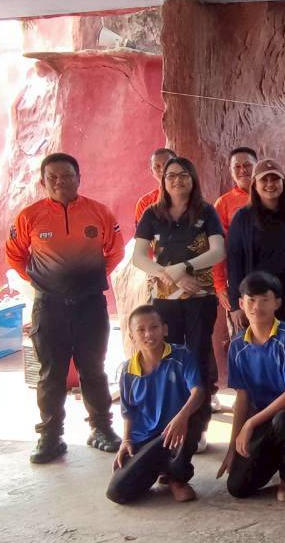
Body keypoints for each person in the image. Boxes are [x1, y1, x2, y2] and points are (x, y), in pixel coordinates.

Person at [6, 152, 125, 464]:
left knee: (93, 368)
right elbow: (14, 255)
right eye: (53, 177)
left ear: (79, 178)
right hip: (49, 307)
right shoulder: (30, 216)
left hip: (90, 305)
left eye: (67, 176)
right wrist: (43, 281)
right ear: (43, 182)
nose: (60, 182)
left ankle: (101, 429)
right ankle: (50, 436)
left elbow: (115, 251)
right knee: (51, 372)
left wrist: (86, 278)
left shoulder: (99, 213)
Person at [129, 156, 226, 453]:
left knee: (197, 359)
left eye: (183, 174)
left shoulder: (206, 211)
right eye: (171, 175)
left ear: (192, 179)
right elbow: (139, 257)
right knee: (167, 361)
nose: (177, 180)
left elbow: (218, 251)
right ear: (163, 181)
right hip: (164, 301)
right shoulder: (152, 213)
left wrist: (184, 268)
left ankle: (197, 427)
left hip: (200, 298)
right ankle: (166, 424)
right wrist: (170, 275)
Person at [217, 272, 285, 502]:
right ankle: (277, 453)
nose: (257, 307)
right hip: (264, 417)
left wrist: (250, 423)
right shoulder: (237, 346)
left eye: (264, 300)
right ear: (241, 303)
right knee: (238, 487)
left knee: (284, 420)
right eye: (251, 300)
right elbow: (242, 397)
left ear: (277, 303)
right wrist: (233, 446)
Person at [107, 305, 205, 504]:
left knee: (194, 418)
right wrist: (126, 441)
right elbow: (128, 411)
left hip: (175, 431)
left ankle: (177, 479)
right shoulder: (128, 370)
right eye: (141, 329)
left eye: (154, 327)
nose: (148, 334)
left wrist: (182, 416)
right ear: (131, 335)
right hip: (144, 439)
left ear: (165, 329)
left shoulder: (181, 356)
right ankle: (162, 469)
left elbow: (198, 391)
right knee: (117, 492)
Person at [227, 159, 285, 334]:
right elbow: (234, 262)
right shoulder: (242, 218)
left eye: (275, 179)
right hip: (257, 301)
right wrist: (236, 304)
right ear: (255, 185)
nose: (270, 184)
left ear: (283, 182)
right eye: (264, 180)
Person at [210, 146, 259, 398]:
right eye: (237, 166)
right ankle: (247, 400)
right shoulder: (224, 204)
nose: (243, 170)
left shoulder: (270, 194)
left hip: (272, 289)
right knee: (245, 345)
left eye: (247, 165)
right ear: (230, 171)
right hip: (240, 289)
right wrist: (222, 287)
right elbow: (218, 251)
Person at [134, 147, 176, 225]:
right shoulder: (145, 203)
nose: (163, 170)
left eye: (167, 164)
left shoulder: (193, 197)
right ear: (152, 172)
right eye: (157, 167)